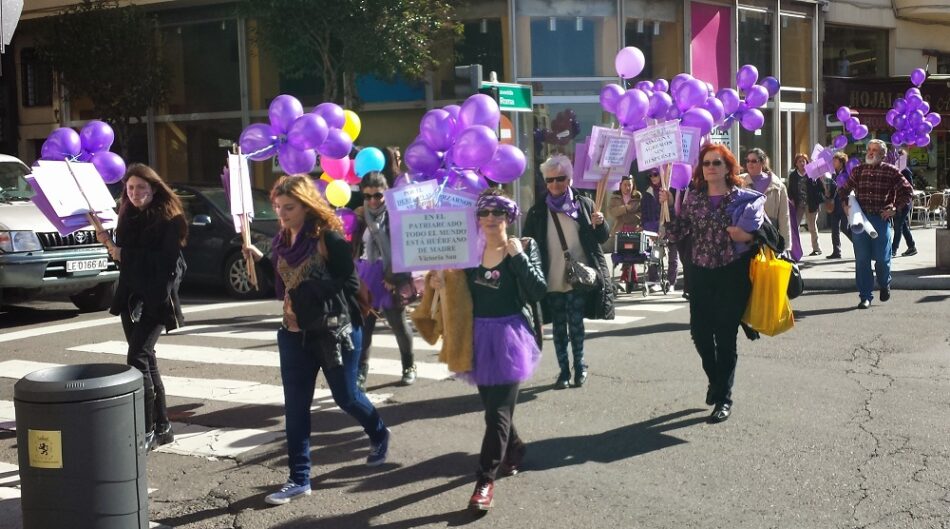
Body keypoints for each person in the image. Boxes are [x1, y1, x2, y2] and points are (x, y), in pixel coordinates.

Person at [242, 175, 390, 506]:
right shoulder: (282, 239)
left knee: (347, 397)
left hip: (333, 332)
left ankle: (378, 431)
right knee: (295, 408)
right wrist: (260, 259)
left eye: (289, 208)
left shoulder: (329, 238)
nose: (281, 214)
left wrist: (312, 292)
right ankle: (299, 478)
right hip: (293, 333)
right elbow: (284, 284)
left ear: (307, 206)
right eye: (278, 207)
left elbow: (350, 282)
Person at [430, 188, 547, 512]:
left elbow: (538, 291)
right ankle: (516, 446)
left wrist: (518, 258)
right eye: (485, 213)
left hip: (511, 337)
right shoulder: (470, 254)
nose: (491, 219)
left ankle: (484, 480)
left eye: (498, 213)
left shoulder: (523, 247)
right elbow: (455, 293)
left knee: (497, 414)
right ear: (478, 219)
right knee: (494, 410)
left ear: (509, 217)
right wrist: (439, 282)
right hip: (477, 338)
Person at [661, 144, 765, 423]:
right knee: (701, 335)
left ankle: (724, 398)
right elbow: (680, 231)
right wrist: (667, 209)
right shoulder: (694, 198)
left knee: (725, 338)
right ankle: (715, 380)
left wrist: (748, 237)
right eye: (706, 163)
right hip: (700, 273)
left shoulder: (741, 198)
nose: (710, 167)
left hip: (732, 273)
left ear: (728, 168)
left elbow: (762, 232)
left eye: (716, 163)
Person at [96, 163, 187, 452]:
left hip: (157, 298)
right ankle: (163, 426)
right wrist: (110, 245)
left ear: (154, 188)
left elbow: (167, 263)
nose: (135, 193)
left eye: (141, 188)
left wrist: (126, 253)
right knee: (147, 359)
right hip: (131, 297)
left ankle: (147, 427)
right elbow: (125, 260)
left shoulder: (171, 219)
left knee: (136, 358)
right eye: (130, 188)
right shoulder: (127, 216)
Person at [523, 154, 613, 390]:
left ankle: (580, 365)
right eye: (550, 180)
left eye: (560, 178)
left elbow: (602, 238)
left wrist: (601, 223)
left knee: (576, 325)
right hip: (551, 278)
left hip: (577, 277)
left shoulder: (584, 205)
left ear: (570, 179)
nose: (554, 184)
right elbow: (529, 244)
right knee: (559, 328)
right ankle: (563, 371)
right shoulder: (537, 212)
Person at [352, 171, 417, 389]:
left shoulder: (396, 215)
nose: (373, 200)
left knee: (398, 323)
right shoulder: (360, 216)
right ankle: (361, 371)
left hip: (391, 274)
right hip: (365, 274)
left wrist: (393, 277)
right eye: (368, 195)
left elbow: (405, 247)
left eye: (378, 196)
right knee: (364, 327)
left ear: (386, 194)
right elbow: (355, 247)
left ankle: (409, 366)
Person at [838, 139, 913, 309]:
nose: (870, 153)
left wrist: (895, 208)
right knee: (862, 260)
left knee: (881, 259)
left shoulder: (891, 171)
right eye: (869, 150)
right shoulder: (859, 170)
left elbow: (907, 191)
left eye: (875, 150)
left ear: (883, 154)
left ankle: (884, 282)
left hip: (880, 219)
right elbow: (843, 190)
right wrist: (845, 205)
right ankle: (865, 296)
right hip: (861, 220)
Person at [740, 148, 792, 252]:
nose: (750, 164)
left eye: (754, 161)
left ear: (763, 162)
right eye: (748, 161)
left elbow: (784, 217)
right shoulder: (739, 182)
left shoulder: (778, 186)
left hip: (769, 237)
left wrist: (786, 247)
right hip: (746, 237)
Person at [640, 169, 680, 293]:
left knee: (673, 256)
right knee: (654, 256)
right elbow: (645, 214)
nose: (653, 177)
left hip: (670, 226)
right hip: (655, 229)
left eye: (655, 174)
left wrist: (669, 203)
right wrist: (649, 229)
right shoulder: (648, 193)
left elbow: (676, 210)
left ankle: (671, 282)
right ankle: (655, 281)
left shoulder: (671, 190)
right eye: (650, 175)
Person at [606, 174, 641, 292]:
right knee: (623, 254)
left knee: (631, 254)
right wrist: (625, 208)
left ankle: (626, 278)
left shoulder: (638, 197)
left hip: (633, 230)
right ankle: (630, 279)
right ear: (620, 185)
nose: (627, 187)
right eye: (625, 185)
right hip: (620, 230)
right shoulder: (615, 198)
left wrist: (630, 217)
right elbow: (612, 212)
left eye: (629, 185)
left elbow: (641, 214)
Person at [788, 153, 823, 255]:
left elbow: (819, 188)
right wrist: (791, 200)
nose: (802, 163)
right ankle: (794, 249)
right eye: (800, 161)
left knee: (812, 227)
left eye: (804, 161)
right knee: (794, 226)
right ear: (796, 163)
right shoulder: (793, 175)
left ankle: (816, 249)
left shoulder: (812, 173)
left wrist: (820, 180)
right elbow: (790, 190)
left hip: (811, 204)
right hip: (798, 204)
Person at [824, 152, 852, 259]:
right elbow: (830, 189)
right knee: (834, 228)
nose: (833, 163)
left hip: (844, 203)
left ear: (841, 162)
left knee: (845, 228)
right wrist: (826, 190)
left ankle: (859, 247)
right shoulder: (832, 174)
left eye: (835, 161)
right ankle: (836, 251)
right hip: (834, 203)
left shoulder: (847, 173)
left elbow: (850, 188)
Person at [892, 150, 917, 257]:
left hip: (904, 203)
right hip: (896, 202)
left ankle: (893, 249)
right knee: (902, 225)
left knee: (898, 226)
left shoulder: (905, 171)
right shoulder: (894, 170)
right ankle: (911, 246)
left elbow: (910, 188)